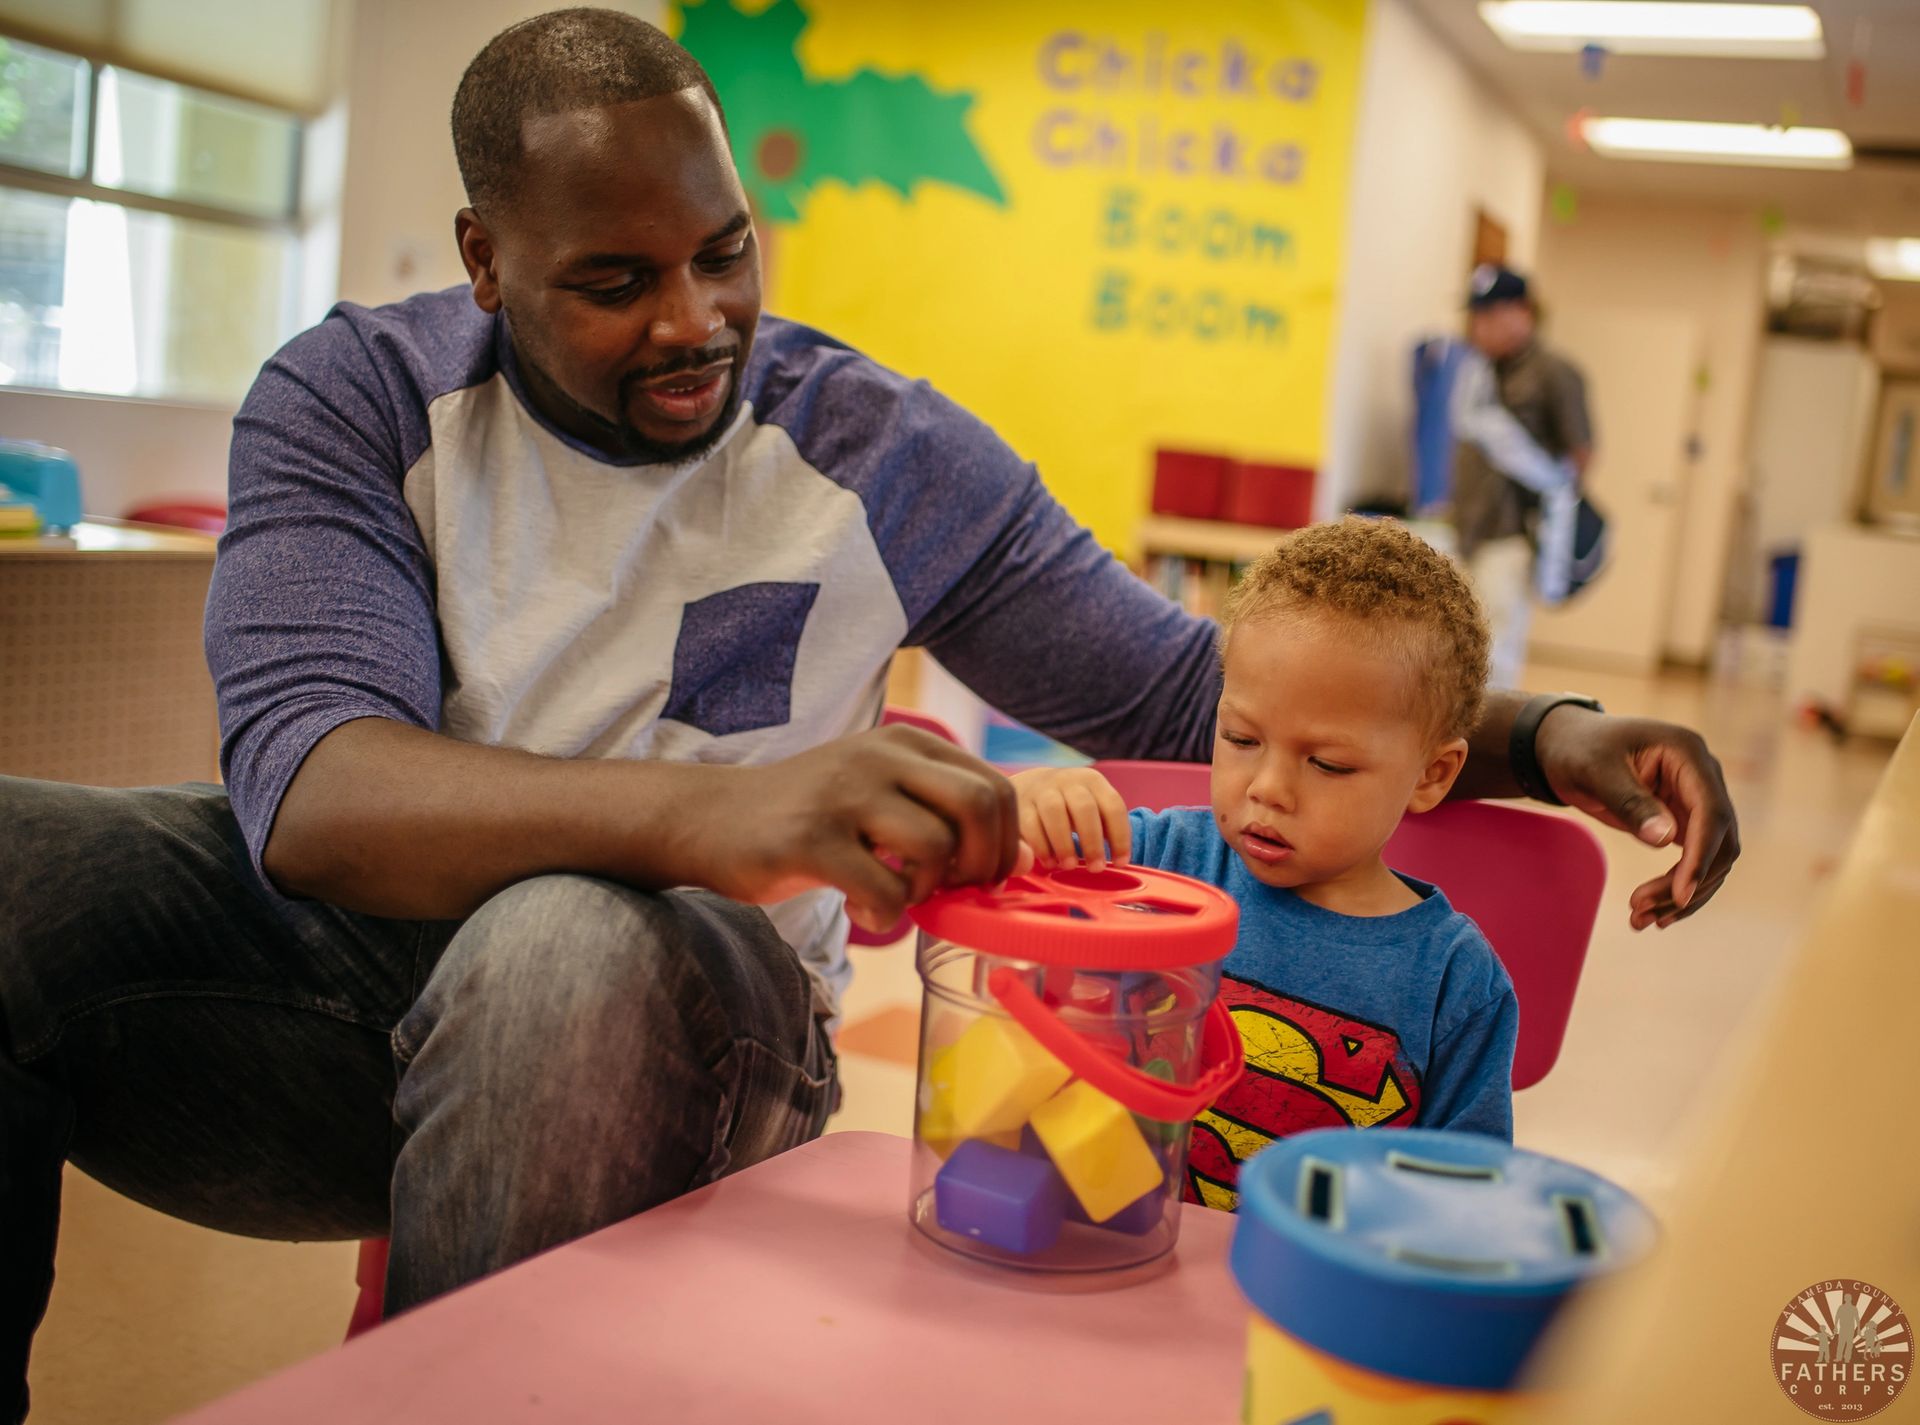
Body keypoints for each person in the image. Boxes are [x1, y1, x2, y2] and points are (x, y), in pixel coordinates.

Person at [0, 12, 1739, 1419]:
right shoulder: (352, 395)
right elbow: (313, 792)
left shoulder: (878, 450)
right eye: (615, 282)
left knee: (557, 945)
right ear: (483, 256)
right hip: (339, 981)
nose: (697, 324)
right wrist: (715, 809)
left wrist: (1543, 734)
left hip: (689, 1010)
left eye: (725, 253)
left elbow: (1194, 686)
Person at [1011, 519, 1513, 1208]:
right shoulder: (1150, 863)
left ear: (1432, 773)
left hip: (1306, 1304)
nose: (1267, 787)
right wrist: (1029, 800)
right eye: (1241, 737)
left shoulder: (1455, 982)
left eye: (1327, 762)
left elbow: (1463, 1206)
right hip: (1106, 1261)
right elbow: (1003, 886)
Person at [1454, 263, 1595, 686]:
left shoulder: (1554, 372)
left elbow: (1582, 452)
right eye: (1476, 317)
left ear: (1523, 313)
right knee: (1461, 648)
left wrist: (1550, 514)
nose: (1480, 328)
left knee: (1496, 655)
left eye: (1491, 316)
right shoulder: (1480, 373)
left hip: (1514, 535)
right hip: (1472, 528)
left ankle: (1491, 747)